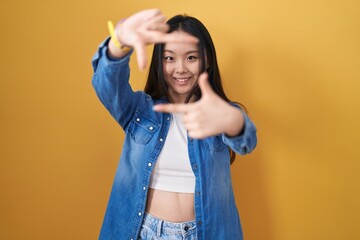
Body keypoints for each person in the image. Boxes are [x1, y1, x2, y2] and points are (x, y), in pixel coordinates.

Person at [91, 9, 257, 240]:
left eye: (191, 57)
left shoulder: (217, 114)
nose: (180, 68)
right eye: (169, 58)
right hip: (143, 232)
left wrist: (234, 120)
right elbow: (106, 85)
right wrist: (118, 43)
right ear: (159, 62)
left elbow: (246, 141)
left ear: (207, 60)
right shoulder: (140, 109)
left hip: (203, 234)